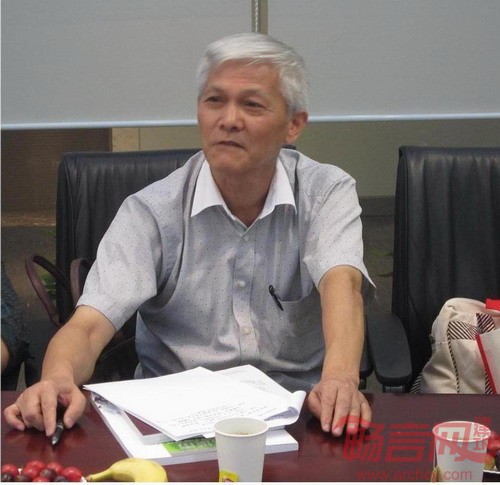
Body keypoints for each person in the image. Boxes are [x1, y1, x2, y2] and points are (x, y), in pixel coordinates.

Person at [4, 32, 374, 438]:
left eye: (252, 104)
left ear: (294, 125)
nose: (228, 119)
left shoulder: (325, 193)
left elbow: (343, 286)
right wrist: (57, 379)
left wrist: (340, 379)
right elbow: (88, 326)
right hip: (173, 425)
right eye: (214, 100)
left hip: (298, 416)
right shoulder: (151, 212)